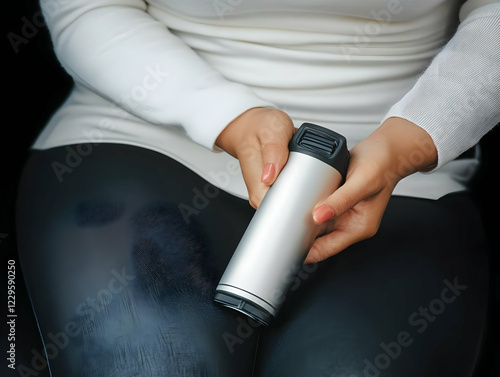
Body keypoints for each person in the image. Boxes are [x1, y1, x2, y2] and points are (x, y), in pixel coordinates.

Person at [16, 0, 498, 376]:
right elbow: (86, 8)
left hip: (396, 172)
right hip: (143, 137)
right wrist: (226, 115)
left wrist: (410, 142)